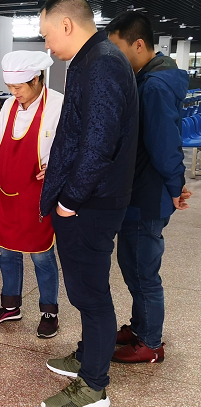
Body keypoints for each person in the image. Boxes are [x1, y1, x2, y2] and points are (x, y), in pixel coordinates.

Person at [38, 1, 139, 406]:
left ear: (66, 24)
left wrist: (70, 199)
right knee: (84, 289)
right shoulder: (91, 58)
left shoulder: (102, 63)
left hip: (90, 203)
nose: (47, 46)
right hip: (88, 198)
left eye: (46, 35)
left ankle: (94, 386)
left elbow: (99, 143)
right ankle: (87, 356)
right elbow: (83, 132)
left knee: (91, 294)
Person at [105, 12, 192, 364]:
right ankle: (140, 328)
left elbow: (164, 144)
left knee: (143, 272)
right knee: (133, 266)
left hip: (147, 195)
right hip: (139, 190)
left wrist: (175, 185)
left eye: (118, 48)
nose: (115, 57)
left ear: (139, 44)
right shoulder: (148, 78)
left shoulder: (154, 86)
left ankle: (151, 344)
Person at [0, 51, 63, 339]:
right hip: (5, 188)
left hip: (37, 192)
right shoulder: (8, 106)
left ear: (36, 79)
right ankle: (10, 306)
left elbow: (73, 149)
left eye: (19, 87)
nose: (14, 93)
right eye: (10, 87)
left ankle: (49, 312)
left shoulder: (58, 104)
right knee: (7, 251)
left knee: (41, 254)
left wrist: (57, 167)